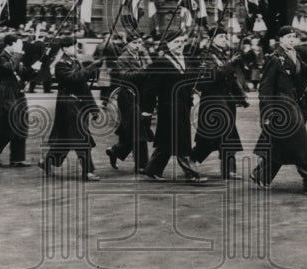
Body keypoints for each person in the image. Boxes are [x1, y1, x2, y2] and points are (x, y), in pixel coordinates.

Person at [249, 26, 307, 194]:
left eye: (294, 37)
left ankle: (261, 174)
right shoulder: (275, 59)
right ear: (281, 40)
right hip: (281, 106)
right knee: (300, 143)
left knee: (283, 143)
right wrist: (267, 112)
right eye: (288, 37)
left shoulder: (295, 55)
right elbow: (265, 88)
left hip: (293, 103)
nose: (292, 40)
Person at [141, 34, 206, 183]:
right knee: (181, 139)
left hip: (183, 106)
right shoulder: (161, 62)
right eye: (176, 41)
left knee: (166, 141)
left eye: (182, 41)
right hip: (168, 107)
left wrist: (199, 72)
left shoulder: (186, 60)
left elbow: (189, 82)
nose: (180, 44)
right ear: (168, 44)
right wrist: (147, 110)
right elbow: (150, 88)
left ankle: (152, 169)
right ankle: (192, 174)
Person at [41, 36, 101, 180]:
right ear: (65, 49)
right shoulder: (61, 64)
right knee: (82, 137)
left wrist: (93, 108)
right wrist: (91, 67)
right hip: (68, 104)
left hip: (76, 104)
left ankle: (47, 162)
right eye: (74, 46)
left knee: (65, 139)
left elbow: (84, 87)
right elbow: (74, 78)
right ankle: (88, 171)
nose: (77, 48)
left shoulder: (74, 62)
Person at [191, 27, 248, 180]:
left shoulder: (223, 55)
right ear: (212, 39)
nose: (224, 39)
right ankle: (191, 160)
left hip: (226, 101)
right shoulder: (205, 56)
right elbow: (213, 76)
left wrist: (241, 97)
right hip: (212, 100)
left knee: (229, 136)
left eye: (225, 36)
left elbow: (232, 78)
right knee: (210, 138)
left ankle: (229, 170)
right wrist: (230, 63)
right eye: (220, 36)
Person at [0, 33, 40, 167]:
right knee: (11, 122)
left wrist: (34, 69)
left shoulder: (15, 57)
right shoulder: (0, 58)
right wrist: (18, 54)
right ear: (10, 44)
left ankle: (17, 158)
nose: (21, 47)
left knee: (21, 123)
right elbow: (10, 68)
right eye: (19, 44)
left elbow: (23, 75)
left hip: (17, 92)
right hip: (7, 92)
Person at [106, 34, 152, 172]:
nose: (138, 45)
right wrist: (144, 71)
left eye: (140, 42)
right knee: (139, 129)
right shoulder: (123, 58)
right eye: (135, 42)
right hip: (128, 96)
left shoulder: (141, 56)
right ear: (128, 44)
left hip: (140, 96)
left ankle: (116, 151)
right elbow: (125, 76)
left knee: (135, 129)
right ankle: (142, 164)